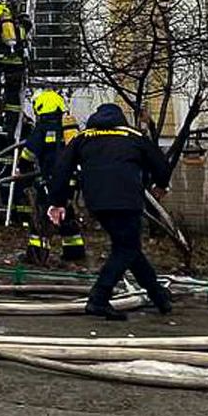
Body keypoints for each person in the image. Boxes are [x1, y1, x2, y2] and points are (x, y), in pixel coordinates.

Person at [47, 102, 173, 321]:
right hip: (127, 199)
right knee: (126, 248)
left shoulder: (83, 137)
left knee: (128, 248)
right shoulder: (133, 135)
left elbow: (61, 168)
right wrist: (160, 185)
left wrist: (57, 202)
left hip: (97, 201)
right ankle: (99, 298)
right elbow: (161, 165)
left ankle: (158, 295)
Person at [20, 89, 83, 266]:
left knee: (42, 218)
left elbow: (29, 153)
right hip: (70, 181)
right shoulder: (70, 127)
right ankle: (74, 252)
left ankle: (36, 255)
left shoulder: (42, 128)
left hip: (49, 181)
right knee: (67, 214)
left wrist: (22, 168)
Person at [0, 0, 32, 151]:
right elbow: (27, 28)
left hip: (0, 66)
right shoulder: (19, 27)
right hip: (17, 68)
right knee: (14, 101)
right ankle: (11, 126)